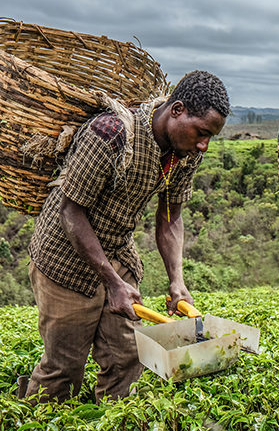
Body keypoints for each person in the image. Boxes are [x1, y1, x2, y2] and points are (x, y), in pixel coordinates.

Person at [23, 70, 230, 403]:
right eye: (202, 133)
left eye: (211, 137)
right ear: (177, 110)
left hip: (117, 251)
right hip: (63, 258)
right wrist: (112, 282)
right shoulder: (111, 134)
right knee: (63, 368)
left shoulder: (184, 152)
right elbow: (70, 211)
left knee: (127, 357)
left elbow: (170, 216)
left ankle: (111, 419)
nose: (204, 144)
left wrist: (176, 280)